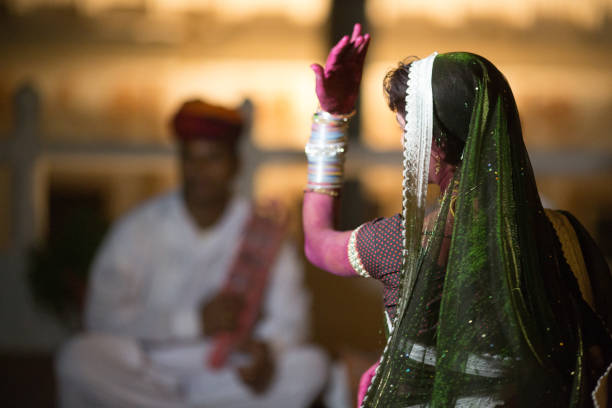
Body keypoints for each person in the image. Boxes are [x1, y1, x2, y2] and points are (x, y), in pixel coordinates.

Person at [303, 23, 611, 407]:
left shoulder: (406, 243)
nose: (404, 148)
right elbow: (596, 356)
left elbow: (317, 242)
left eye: (406, 133)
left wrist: (332, 117)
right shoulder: (566, 236)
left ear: (436, 143)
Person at [57, 99, 329, 408]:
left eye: (213, 158)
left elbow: (291, 317)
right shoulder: (140, 227)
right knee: (77, 359)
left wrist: (266, 349)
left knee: (310, 366)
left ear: (235, 164)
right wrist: (193, 322)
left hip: (225, 371)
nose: (200, 171)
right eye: (191, 159)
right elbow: (100, 314)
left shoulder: (262, 230)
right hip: (147, 368)